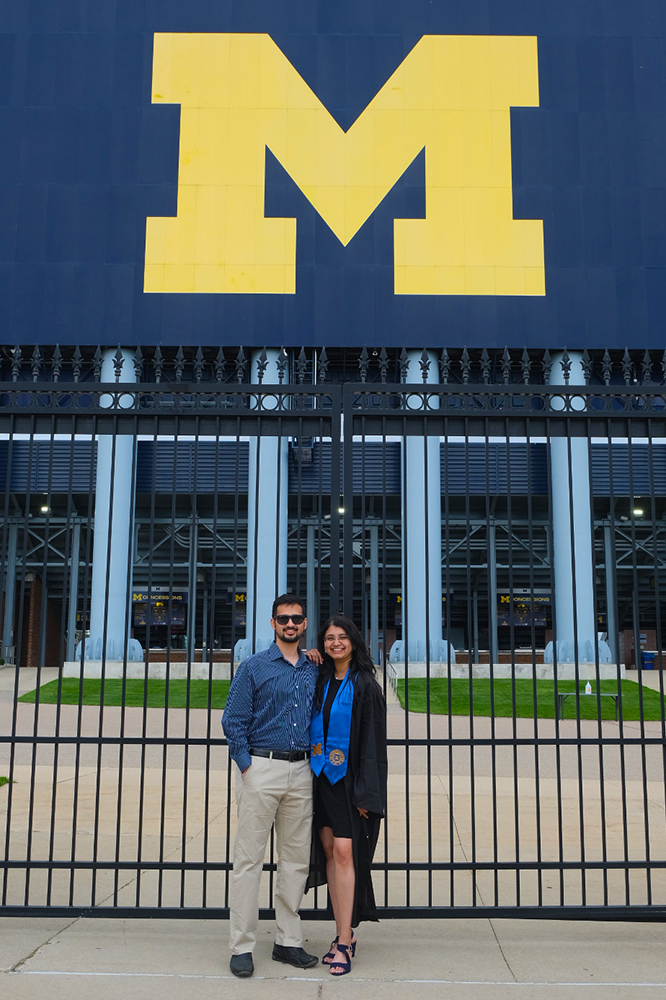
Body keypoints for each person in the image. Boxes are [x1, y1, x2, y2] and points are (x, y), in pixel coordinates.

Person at [222, 593, 319, 979]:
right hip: (261, 767)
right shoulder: (254, 667)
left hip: (302, 770)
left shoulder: (315, 666)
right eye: (284, 619)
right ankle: (241, 945)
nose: (290, 624)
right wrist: (247, 767)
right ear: (273, 624)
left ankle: (287, 942)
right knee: (249, 860)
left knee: (295, 861)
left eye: (296, 618)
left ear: (305, 623)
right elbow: (233, 720)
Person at [307, 615, 387, 977]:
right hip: (319, 778)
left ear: (353, 641)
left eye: (342, 637)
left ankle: (343, 939)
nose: (335, 643)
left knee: (344, 853)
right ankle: (344, 932)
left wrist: (366, 793)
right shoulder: (320, 677)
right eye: (328, 638)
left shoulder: (366, 685)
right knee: (328, 851)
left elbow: (373, 745)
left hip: (349, 782)